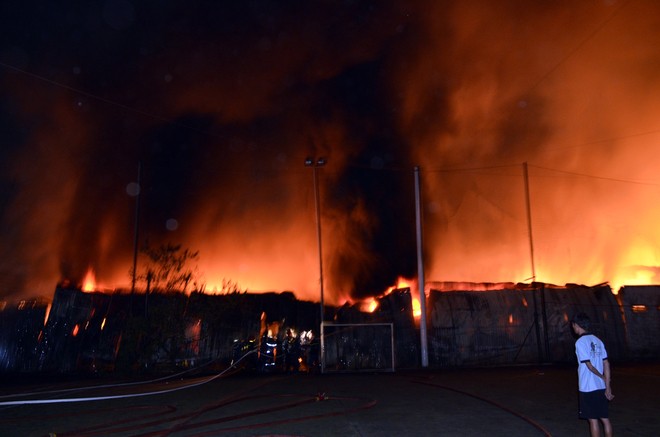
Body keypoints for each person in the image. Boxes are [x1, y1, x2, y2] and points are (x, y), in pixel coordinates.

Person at [571, 312, 614, 437]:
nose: (573, 328)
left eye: (573, 325)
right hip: (600, 386)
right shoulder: (598, 340)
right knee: (605, 418)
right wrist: (607, 384)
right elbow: (606, 363)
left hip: (587, 386)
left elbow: (589, 365)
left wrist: (602, 377)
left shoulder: (580, 342)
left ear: (577, 325)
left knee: (592, 419)